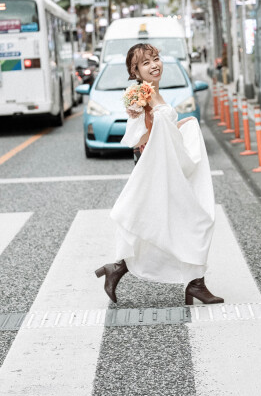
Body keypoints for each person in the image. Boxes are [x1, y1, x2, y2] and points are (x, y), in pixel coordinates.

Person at [95, 43, 223, 305]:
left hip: (169, 166)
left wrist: (184, 126)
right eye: (145, 62)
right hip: (158, 170)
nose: (154, 65)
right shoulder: (140, 94)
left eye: (156, 58)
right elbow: (137, 137)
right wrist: (138, 113)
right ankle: (193, 284)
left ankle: (120, 269)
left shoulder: (152, 91)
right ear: (135, 70)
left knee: (169, 223)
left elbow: (162, 127)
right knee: (192, 220)